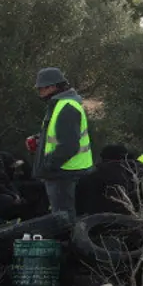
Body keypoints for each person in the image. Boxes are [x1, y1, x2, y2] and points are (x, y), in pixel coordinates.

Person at [33, 67, 94, 218]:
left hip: (64, 173)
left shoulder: (66, 107)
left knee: (63, 218)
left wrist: (49, 165)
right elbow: (59, 135)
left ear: (53, 87)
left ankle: (68, 234)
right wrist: (40, 140)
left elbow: (69, 146)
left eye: (41, 88)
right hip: (65, 171)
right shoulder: (61, 105)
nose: (39, 92)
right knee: (64, 216)